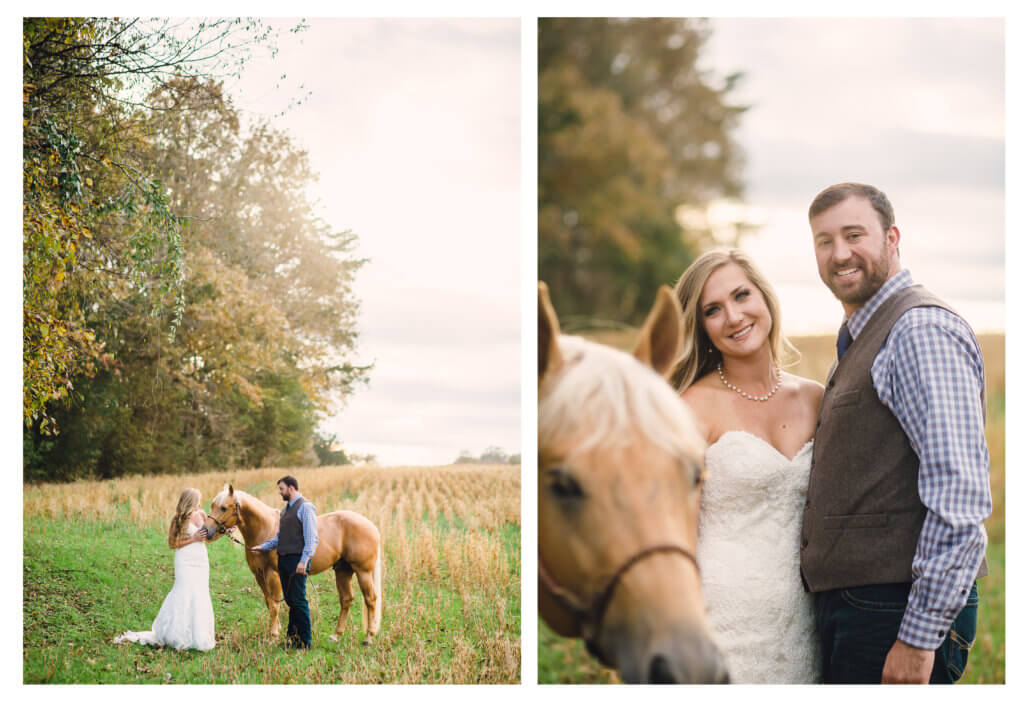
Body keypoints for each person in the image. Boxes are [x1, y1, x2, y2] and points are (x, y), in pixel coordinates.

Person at [802, 182, 991, 684]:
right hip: (868, 608)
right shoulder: (868, 333)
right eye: (824, 241)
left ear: (892, 238)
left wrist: (917, 638)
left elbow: (959, 497)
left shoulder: (918, 329)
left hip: (893, 613)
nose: (839, 254)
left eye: (854, 234)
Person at [671, 248, 824, 683]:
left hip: (808, 623)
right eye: (713, 310)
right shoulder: (690, 409)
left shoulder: (816, 398)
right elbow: (676, 538)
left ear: (765, 297)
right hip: (722, 626)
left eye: (742, 296)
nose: (734, 316)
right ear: (701, 327)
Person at [114, 488, 216, 650]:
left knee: (200, 593)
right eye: (198, 499)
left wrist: (225, 532)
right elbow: (172, 544)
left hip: (201, 561)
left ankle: (199, 636)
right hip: (184, 560)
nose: (200, 502)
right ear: (190, 501)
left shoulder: (202, 515)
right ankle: (177, 635)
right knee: (183, 592)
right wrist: (193, 538)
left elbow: (208, 538)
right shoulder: (178, 519)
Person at [251, 475, 319, 649]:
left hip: (298, 561)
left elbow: (312, 539)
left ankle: (304, 641)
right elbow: (280, 538)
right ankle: (292, 639)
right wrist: (263, 547)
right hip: (284, 560)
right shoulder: (285, 510)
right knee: (290, 601)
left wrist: (304, 561)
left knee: (299, 600)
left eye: (281, 489)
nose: (280, 493)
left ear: (291, 488)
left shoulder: (305, 507)